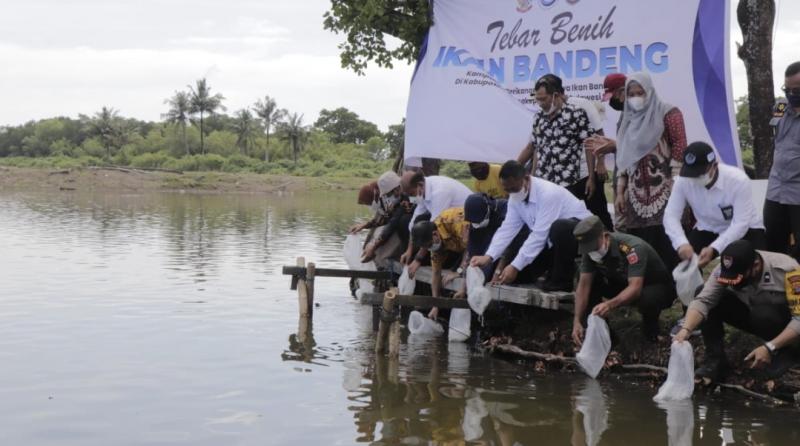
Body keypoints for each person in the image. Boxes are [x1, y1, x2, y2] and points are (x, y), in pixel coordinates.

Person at [674, 240, 800, 381]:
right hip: (753, 314)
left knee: (763, 314)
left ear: (756, 266)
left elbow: (799, 319)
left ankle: (787, 351)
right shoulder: (725, 270)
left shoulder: (788, 270)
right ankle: (716, 361)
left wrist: (769, 347)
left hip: (786, 324)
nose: (734, 283)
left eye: (738, 277)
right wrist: (686, 329)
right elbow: (704, 300)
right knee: (703, 291)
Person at [470, 161, 592, 291]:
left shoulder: (548, 193)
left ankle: (562, 281)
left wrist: (515, 266)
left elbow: (540, 235)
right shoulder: (514, 199)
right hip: (551, 241)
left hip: (582, 234)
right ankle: (543, 274)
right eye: (507, 190)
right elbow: (507, 229)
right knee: (519, 272)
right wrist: (489, 256)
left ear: (526, 179)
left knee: (559, 227)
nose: (512, 193)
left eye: (514, 188)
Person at [517, 75, 613, 230]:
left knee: (593, 218)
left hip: (572, 180)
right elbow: (536, 148)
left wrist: (592, 177)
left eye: (544, 99)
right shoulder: (538, 118)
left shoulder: (576, 113)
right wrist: (533, 177)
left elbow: (590, 144)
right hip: (548, 183)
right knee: (552, 224)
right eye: (538, 99)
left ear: (556, 95)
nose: (541, 104)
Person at [613, 72, 687, 271]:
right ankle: (648, 284)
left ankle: (677, 286)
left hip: (665, 188)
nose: (636, 98)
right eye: (632, 94)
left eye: (641, 92)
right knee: (641, 243)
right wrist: (620, 192)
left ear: (650, 91)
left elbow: (679, 145)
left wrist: (675, 181)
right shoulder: (627, 119)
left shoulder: (668, 112)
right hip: (636, 192)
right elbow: (624, 157)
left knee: (668, 237)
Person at [571, 216, 677, 343]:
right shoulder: (590, 252)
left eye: (594, 246)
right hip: (622, 282)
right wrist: (577, 320)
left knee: (648, 298)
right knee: (583, 276)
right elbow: (583, 286)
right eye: (588, 248)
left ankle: (651, 329)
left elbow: (635, 288)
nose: (591, 251)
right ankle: (603, 335)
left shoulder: (632, 248)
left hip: (653, 286)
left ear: (604, 236)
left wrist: (609, 305)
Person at [664, 142, 766, 268]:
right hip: (707, 227)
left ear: (715, 165)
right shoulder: (683, 181)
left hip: (746, 228)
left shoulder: (738, 180)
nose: (695, 178)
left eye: (700, 173)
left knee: (757, 264)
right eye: (691, 173)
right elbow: (670, 216)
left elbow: (741, 223)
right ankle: (697, 288)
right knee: (680, 263)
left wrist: (715, 248)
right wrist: (681, 243)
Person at [765, 62, 800, 261]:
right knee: (773, 242)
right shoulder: (780, 106)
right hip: (776, 188)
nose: (792, 94)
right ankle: (777, 290)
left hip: (798, 191)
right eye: (788, 89)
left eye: (797, 90)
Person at [400, 171, 472, 265]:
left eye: (411, 194)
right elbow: (413, 223)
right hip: (449, 224)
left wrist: (418, 260)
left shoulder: (440, 192)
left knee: (431, 239)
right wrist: (409, 250)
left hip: (468, 227)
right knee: (414, 221)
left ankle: (455, 262)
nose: (411, 198)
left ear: (420, 185)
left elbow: (432, 228)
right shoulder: (422, 190)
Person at [410, 207, 470, 320]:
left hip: (480, 240)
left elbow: (471, 248)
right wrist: (435, 305)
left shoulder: (454, 221)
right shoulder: (434, 243)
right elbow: (436, 273)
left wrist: (459, 271)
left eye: (429, 245)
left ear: (435, 234)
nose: (429, 249)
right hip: (458, 247)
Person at [463, 193, 529, 282]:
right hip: (492, 248)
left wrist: (498, 271)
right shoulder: (474, 221)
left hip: (517, 245)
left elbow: (509, 244)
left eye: (479, 221)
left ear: (488, 209)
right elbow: (472, 252)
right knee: (482, 272)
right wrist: (464, 285)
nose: (476, 224)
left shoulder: (506, 209)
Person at [361, 171, 415, 264]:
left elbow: (392, 223)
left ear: (396, 188)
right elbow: (387, 217)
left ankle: (411, 255)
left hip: (419, 230)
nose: (388, 197)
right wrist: (365, 225)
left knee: (404, 221)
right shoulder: (397, 200)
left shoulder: (407, 197)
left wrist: (374, 246)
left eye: (389, 194)